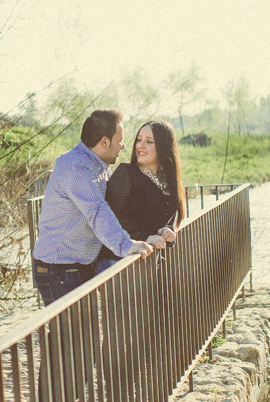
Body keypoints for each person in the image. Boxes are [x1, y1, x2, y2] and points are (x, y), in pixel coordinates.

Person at [32, 109, 154, 306]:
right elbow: (97, 211)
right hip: (59, 269)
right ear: (104, 142)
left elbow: (118, 209)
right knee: (70, 336)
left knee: (83, 335)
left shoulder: (99, 165)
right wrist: (126, 245)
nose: (123, 146)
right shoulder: (76, 167)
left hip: (78, 266)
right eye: (120, 139)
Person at [93, 120, 186, 275]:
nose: (140, 146)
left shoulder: (171, 183)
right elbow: (110, 216)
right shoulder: (126, 173)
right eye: (139, 140)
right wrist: (145, 236)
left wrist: (168, 230)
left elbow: (168, 216)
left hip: (147, 264)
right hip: (117, 263)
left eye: (149, 141)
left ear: (164, 147)